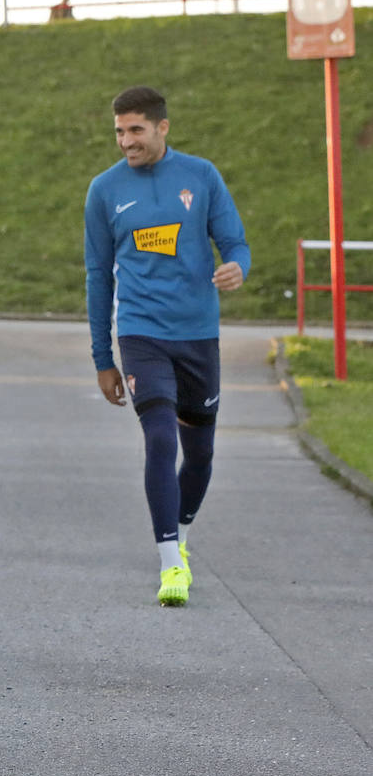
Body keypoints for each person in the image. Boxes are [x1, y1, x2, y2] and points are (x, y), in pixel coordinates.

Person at [84, 85, 250, 607]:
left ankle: (179, 531)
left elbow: (236, 242)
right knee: (160, 438)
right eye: (118, 131)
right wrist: (102, 357)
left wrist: (236, 267)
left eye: (135, 130)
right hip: (140, 332)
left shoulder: (200, 177)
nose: (125, 141)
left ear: (162, 128)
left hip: (198, 335)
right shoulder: (104, 190)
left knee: (200, 455)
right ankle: (169, 563)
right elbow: (97, 276)